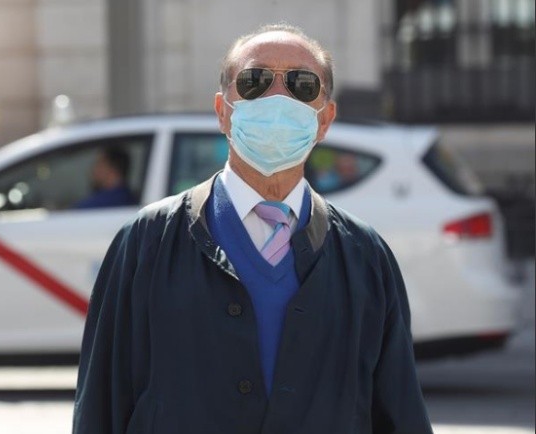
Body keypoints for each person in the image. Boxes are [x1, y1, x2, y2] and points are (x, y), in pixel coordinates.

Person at [73, 23, 432, 433]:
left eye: (301, 84)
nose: (277, 97)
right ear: (222, 111)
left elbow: (399, 410)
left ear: (325, 119)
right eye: (254, 81)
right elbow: (101, 402)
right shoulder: (147, 241)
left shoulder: (365, 256)